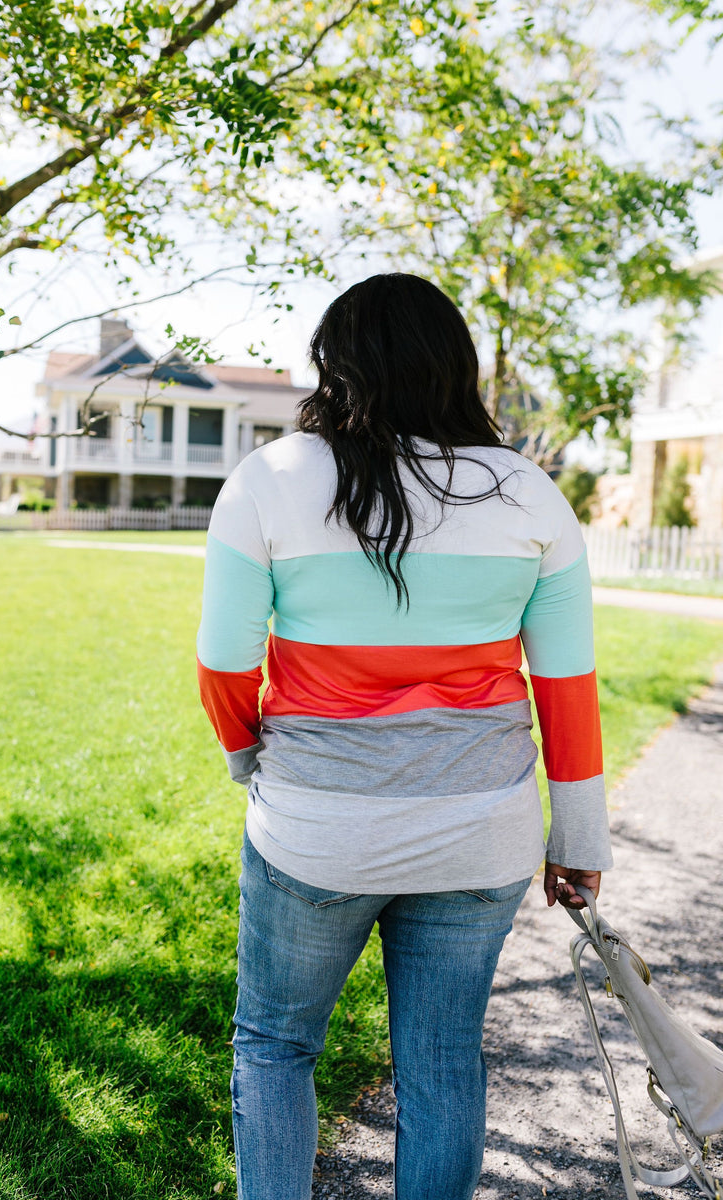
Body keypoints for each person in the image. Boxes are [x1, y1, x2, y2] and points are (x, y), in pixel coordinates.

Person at [196, 273, 612, 1200]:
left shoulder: (268, 478)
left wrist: (245, 757)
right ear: (455, 367)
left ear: (332, 365)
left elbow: (225, 664)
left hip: (314, 827)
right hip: (480, 832)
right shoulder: (529, 495)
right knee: (442, 1065)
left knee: (274, 1046)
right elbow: (568, 689)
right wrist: (579, 841)